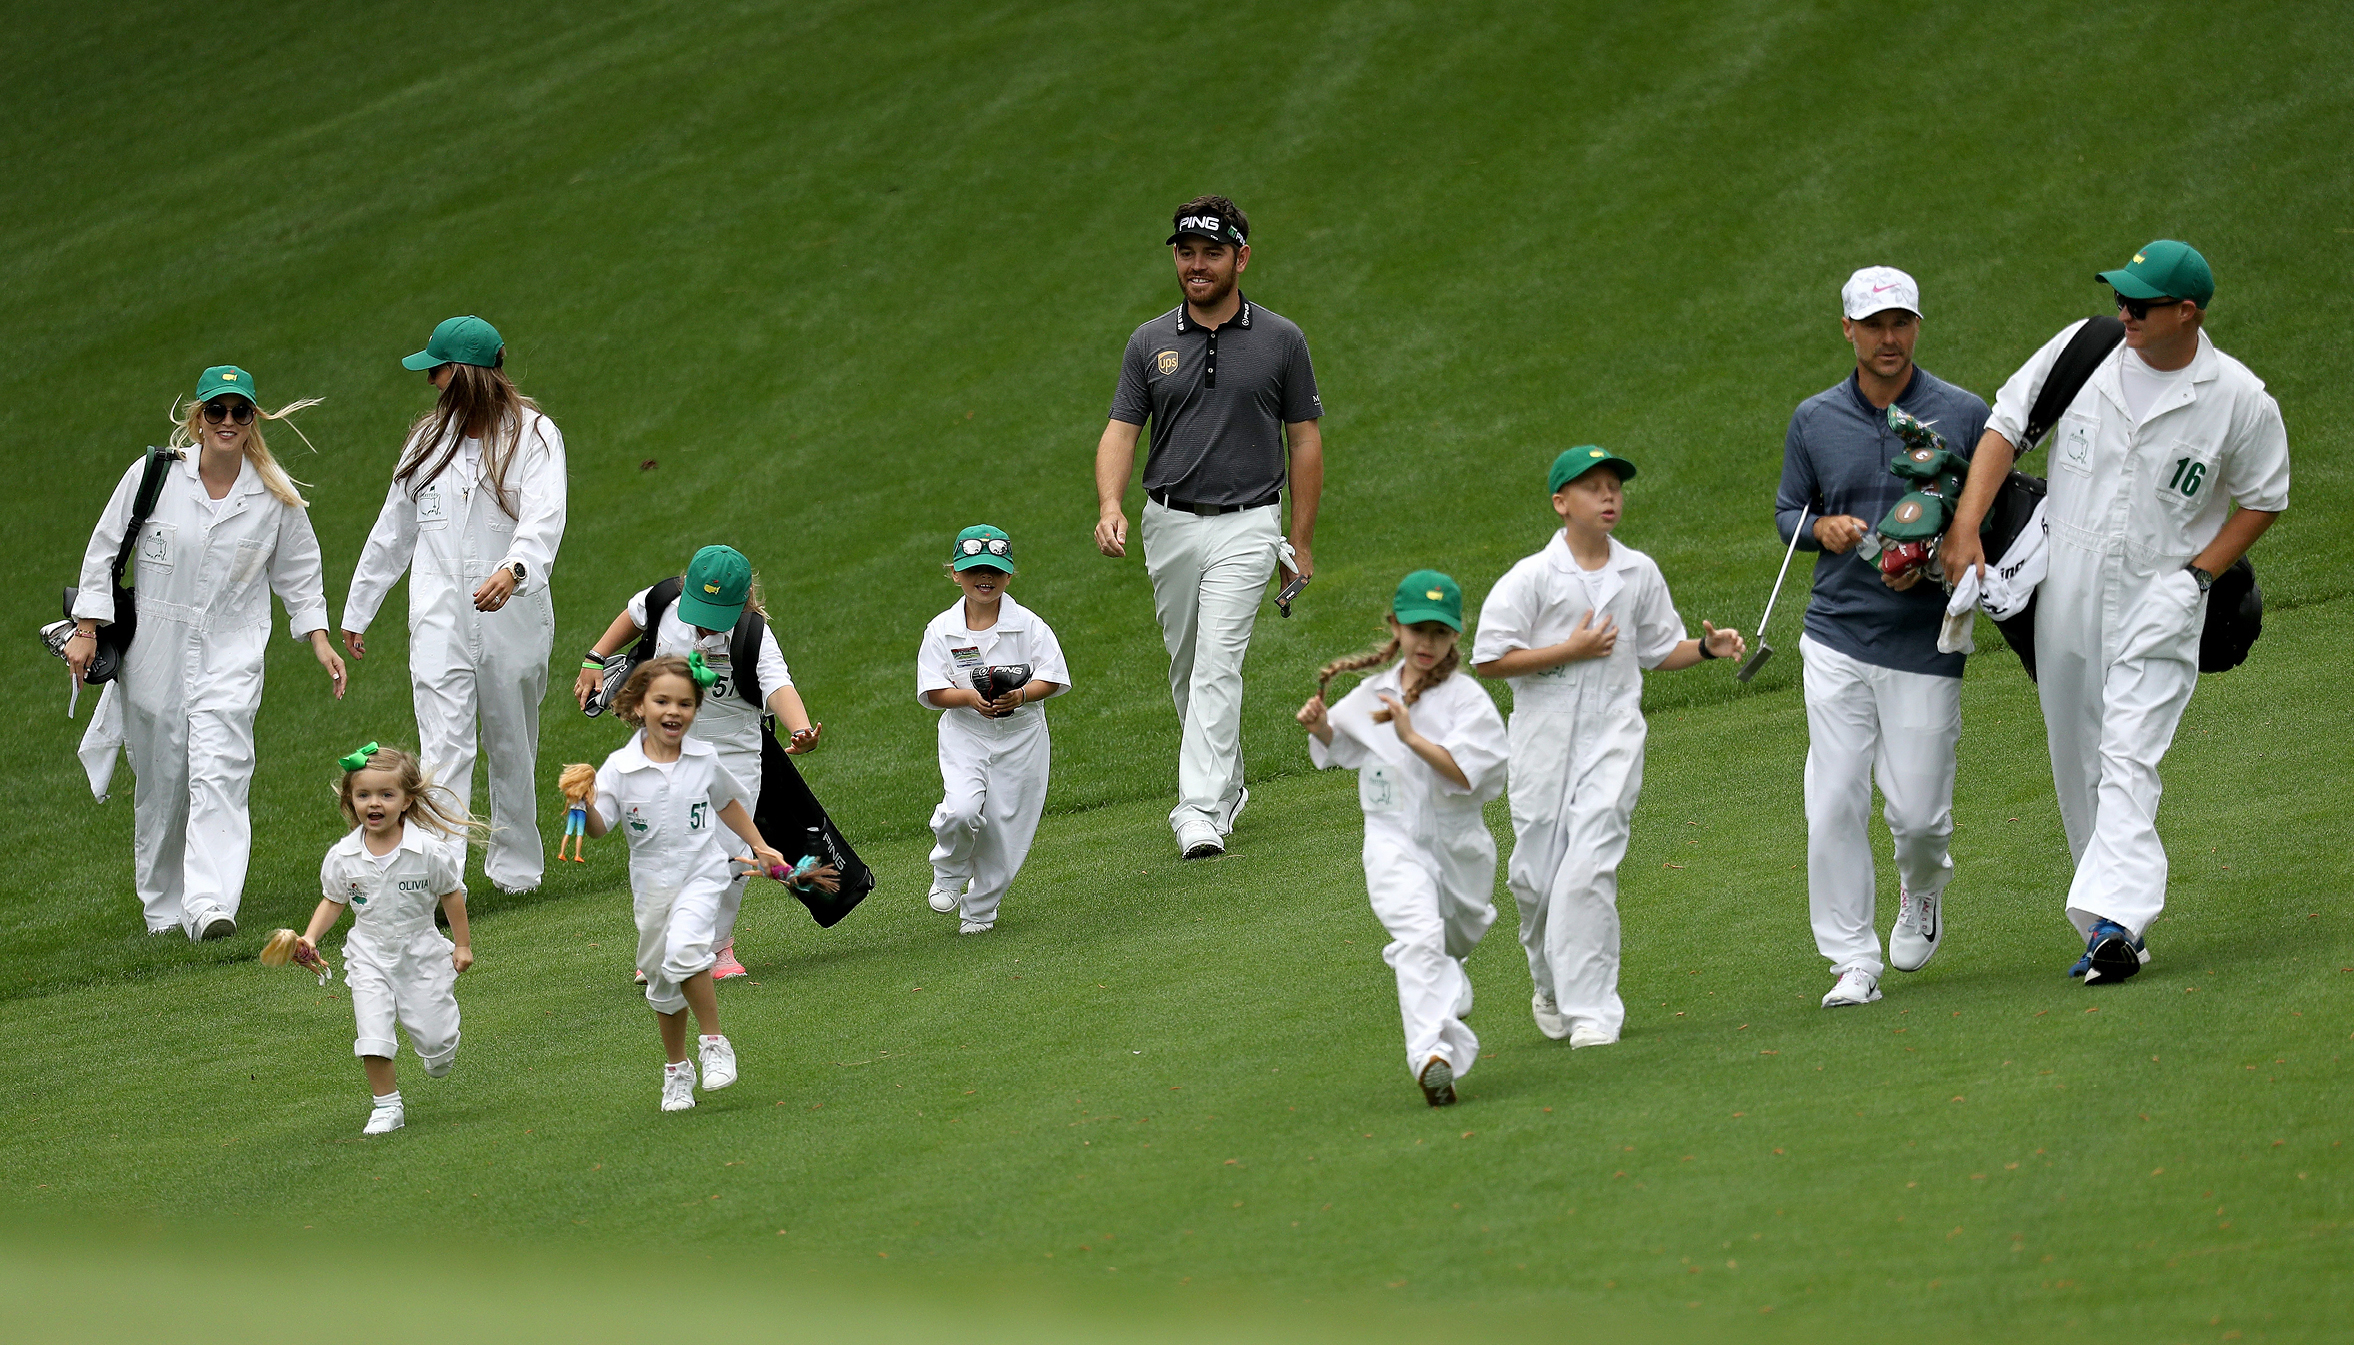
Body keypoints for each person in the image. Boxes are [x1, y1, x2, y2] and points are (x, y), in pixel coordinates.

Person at [1940, 241, 2289, 984]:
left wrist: (2197, 577)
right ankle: (2106, 921)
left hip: (2160, 597)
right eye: (2120, 297)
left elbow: (2265, 496)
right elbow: (2006, 425)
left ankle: (2118, 923)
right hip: (2065, 585)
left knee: (2129, 754)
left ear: (2186, 313)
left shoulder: (2239, 398)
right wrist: (1967, 525)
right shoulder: (2086, 348)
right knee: (2078, 758)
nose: (2124, 311)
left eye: (2141, 303)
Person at [1472, 448, 1745, 1047]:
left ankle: (1593, 1011)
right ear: (1561, 503)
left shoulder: (1638, 572)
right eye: (1593, 487)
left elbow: (1658, 649)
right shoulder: (1531, 578)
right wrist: (1568, 651)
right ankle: (1549, 984)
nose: (1608, 496)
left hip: (1614, 738)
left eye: (1615, 487)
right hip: (1543, 743)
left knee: (1589, 868)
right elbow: (1488, 658)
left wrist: (1707, 648)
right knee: (1536, 882)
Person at [1774, 267, 1990, 1010]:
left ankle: (1922, 888)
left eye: (1900, 323)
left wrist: (1941, 553)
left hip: (1926, 640)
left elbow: (1993, 516)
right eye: (1873, 325)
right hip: (1835, 635)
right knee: (1833, 800)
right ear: (1849, 331)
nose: (1888, 338)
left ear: (1917, 326)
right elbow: (1787, 513)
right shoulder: (1814, 419)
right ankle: (1851, 959)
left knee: (1920, 818)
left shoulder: (1964, 414)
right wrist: (1821, 528)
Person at [68, 365, 346, 939]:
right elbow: (104, 550)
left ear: (252, 419)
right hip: (156, 653)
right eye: (216, 410)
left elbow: (300, 573)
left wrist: (319, 640)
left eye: (239, 411)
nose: (227, 421)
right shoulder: (154, 476)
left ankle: (210, 904)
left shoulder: (273, 495)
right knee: (163, 780)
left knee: (222, 770)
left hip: (232, 652)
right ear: (198, 418)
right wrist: (87, 628)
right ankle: (163, 909)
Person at [1093, 195, 1324, 860]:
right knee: (1188, 667)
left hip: (1249, 523)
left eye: (1211, 253)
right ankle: (1229, 785)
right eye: (1186, 253)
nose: (1196, 265)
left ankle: (1197, 809)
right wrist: (1110, 505)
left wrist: (1300, 541)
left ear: (1240, 258)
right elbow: (1121, 431)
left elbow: (1304, 441)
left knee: (1218, 665)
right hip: (1167, 522)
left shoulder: (1282, 340)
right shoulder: (1149, 341)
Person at [342, 316, 567, 896]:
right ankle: (442, 877)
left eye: (437, 371)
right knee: (442, 748)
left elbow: (544, 518)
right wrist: (359, 608)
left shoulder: (535, 436)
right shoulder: (427, 440)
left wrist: (514, 570)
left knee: (511, 743)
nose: (430, 382)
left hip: (512, 616)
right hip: (439, 614)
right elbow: (394, 529)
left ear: (465, 374)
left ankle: (517, 868)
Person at [1298, 571, 1507, 1108]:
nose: (1427, 642)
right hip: (1392, 841)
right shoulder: (1375, 692)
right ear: (1395, 627)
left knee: (1454, 937)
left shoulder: (1467, 701)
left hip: (1459, 845)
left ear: (1455, 636)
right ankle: (1431, 1057)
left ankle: (1448, 977)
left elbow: (1468, 775)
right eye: (1417, 630)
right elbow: (1343, 745)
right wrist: (1320, 727)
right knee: (1418, 937)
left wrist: (1411, 737)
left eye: (1439, 632)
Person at [573, 545, 821, 979]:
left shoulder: (754, 635)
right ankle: (665, 945)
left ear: (741, 603)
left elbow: (778, 686)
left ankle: (718, 947)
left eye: (716, 615)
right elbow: (633, 616)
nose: (705, 625)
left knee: (730, 854)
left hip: (733, 752)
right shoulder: (664, 601)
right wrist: (594, 658)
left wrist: (800, 728)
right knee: (670, 847)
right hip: (667, 743)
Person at [570, 656, 787, 1112]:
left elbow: (727, 803)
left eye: (685, 704)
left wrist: (760, 845)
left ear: (695, 710)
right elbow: (600, 827)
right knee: (662, 980)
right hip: (652, 889)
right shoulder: (619, 768)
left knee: (688, 949)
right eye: (662, 701)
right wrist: (581, 803)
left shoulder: (704, 758)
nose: (674, 711)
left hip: (702, 875)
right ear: (639, 705)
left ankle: (714, 1043)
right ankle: (676, 1070)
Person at [296, 743, 482, 1136]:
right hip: (368, 955)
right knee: (373, 1034)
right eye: (363, 795)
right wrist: (310, 937)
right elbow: (333, 900)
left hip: (421, 953)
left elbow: (451, 895)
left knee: (437, 1042)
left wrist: (462, 945)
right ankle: (386, 1106)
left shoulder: (429, 851)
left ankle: (438, 1050)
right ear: (351, 800)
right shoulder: (343, 856)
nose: (374, 803)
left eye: (386, 794)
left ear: (407, 800)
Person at [916, 526, 1071, 935]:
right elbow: (932, 690)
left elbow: (1053, 677)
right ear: (955, 574)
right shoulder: (941, 629)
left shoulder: (1029, 625)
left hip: (1022, 735)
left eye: (995, 571)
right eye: (973, 571)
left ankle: (981, 910)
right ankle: (949, 872)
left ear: (1009, 575)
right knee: (962, 809)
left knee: (1007, 829)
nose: (984, 578)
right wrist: (969, 698)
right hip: (966, 733)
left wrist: (1020, 695)